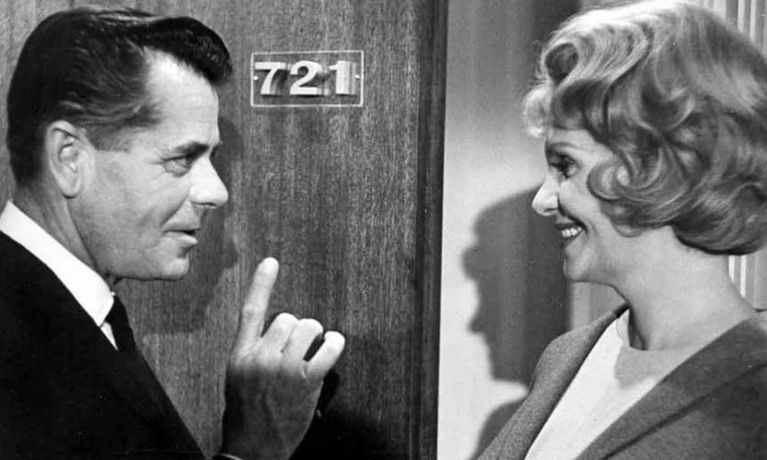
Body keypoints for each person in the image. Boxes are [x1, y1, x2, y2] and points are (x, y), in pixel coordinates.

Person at [0, 7, 345, 460]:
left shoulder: (68, 309)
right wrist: (254, 449)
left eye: (210, 159)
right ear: (69, 157)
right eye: (182, 159)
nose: (216, 192)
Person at [479, 1, 767, 459]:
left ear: (662, 167)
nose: (542, 200)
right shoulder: (567, 356)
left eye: (565, 166)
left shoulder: (756, 394)